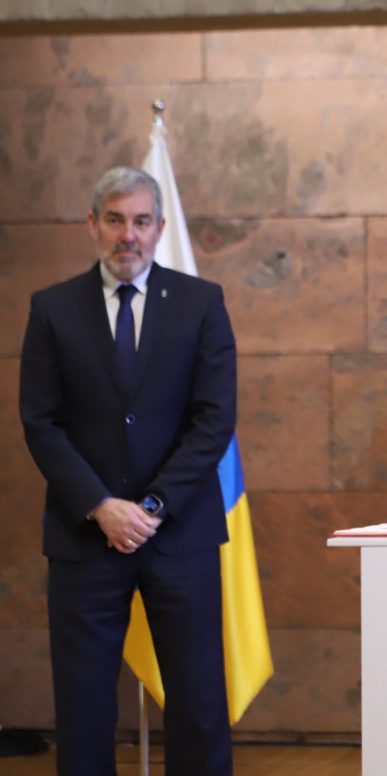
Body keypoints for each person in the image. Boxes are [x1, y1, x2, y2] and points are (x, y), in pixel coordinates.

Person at [19, 166, 236, 775]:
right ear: (92, 225)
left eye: (141, 221)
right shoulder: (52, 309)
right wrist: (101, 506)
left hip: (180, 537)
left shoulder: (202, 304)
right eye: (114, 219)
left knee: (197, 706)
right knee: (84, 711)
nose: (128, 235)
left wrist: (153, 507)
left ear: (160, 228)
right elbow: (41, 422)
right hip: (85, 537)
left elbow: (214, 419)